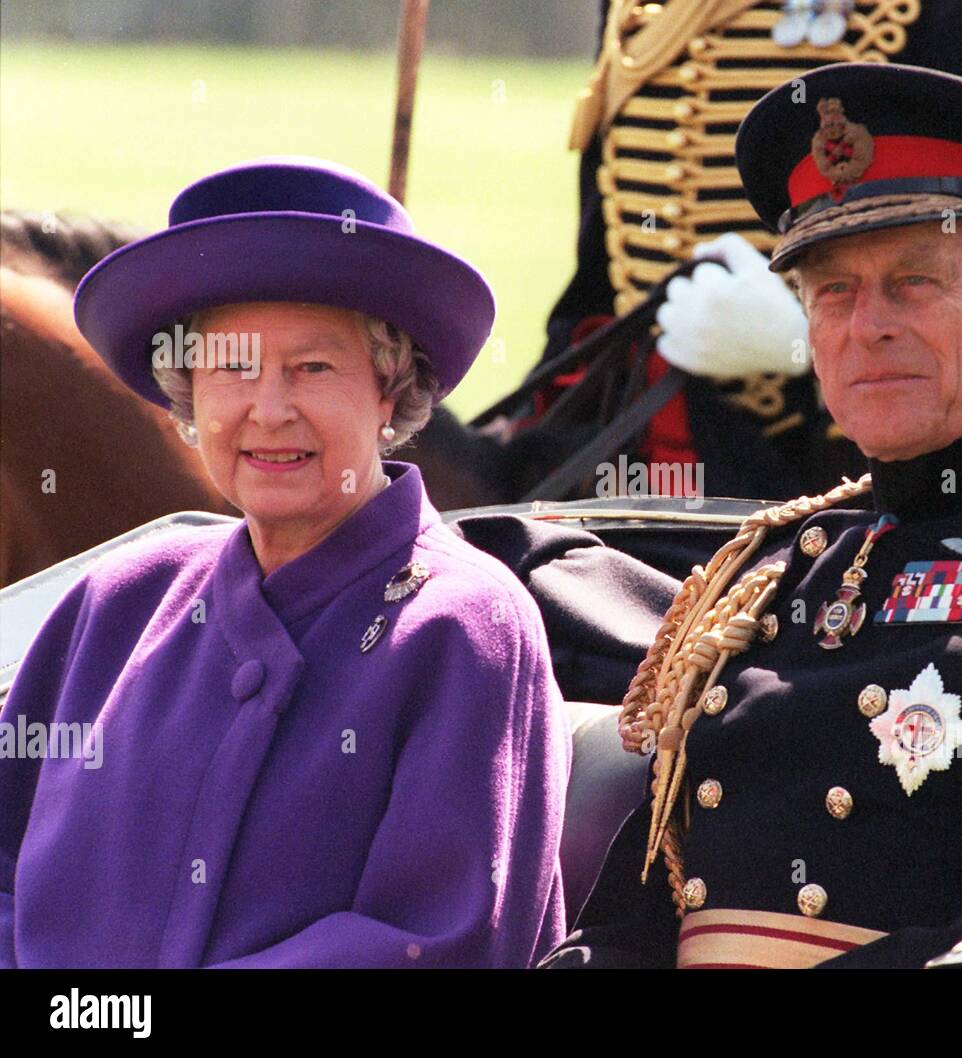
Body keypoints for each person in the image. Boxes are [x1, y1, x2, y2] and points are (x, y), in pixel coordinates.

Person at [539, 63, 962, 969]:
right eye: (833, 292)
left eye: (912, 283)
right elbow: (634, 919)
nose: (867, 326)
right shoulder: (769, 575)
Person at [0, 157, 569, 968]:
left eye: (312, 368)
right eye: (233, 367)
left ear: (388, 388)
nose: (269, 410)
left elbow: (437, 941)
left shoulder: (463, 627)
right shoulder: (115, 600)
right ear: (187, 393)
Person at [519, 0, 962, 500]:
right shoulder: (641, 10)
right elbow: (596, 285)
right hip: (642, 463)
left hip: (846, 478)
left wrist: (806, 345)